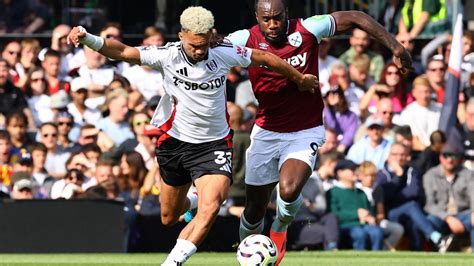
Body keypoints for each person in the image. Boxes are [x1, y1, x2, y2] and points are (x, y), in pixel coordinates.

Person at [67, 5, 317, 265]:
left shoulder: (223, 53)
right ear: (181, 35)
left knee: (212, 205)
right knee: (168, 216)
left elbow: (266, 58)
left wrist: (299, 79)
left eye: (203, 45)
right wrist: (87, 38)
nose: (199, 51)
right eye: (193, 45)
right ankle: (194, 198)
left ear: (211, 36)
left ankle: (172, 262)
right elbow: (121, 51)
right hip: (175, 144)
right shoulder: (166, 55)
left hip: (214, 145)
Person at [225, 1, 412, 263]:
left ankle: (280, 228)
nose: (272, 24)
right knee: (254, 209)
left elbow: (356, 16)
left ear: (286, 14)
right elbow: (212, 51)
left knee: (289, 190)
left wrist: (395, 46)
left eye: (277, 17)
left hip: (305, 129)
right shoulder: (245, 38)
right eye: (266, 19)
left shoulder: (308, 29)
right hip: (266, 130)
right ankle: (248, 256)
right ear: (256, 16)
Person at [423, 143, 473, 253]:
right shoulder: (430, 175)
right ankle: (441, 246)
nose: (449, 159)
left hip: (463, 214)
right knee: (427, 222)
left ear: (458, 158)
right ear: (440, 157)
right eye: (446, 156)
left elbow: (473, 194)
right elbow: (429, 205)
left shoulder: (467, 174)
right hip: (441, 216)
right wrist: (448, 218)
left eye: (453, 156)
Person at [327, 159, 384, 250]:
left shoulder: (361, 193)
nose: (356, 172)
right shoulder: (333, 192)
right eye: (352, 169)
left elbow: (370, 211)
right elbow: (333, 214)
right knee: (359, 233)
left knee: (377, 232)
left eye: (356, 169)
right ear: (340, 173)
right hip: (344, 226)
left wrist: (370, 217)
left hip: (364, 226)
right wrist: (356, 214)